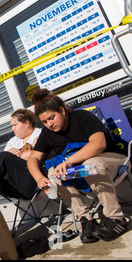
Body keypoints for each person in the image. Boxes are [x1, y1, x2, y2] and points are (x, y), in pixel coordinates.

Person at [27, 88, 130, 243]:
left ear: (62, 110)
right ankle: (87, 220)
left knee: (90, 164)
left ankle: (116, 218)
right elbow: (33, 158)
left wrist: (69, 161)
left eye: (51, 118)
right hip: (81, 170)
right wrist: (39, 178)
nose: (49, 124)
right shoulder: (48, 133)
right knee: (54, 174)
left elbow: (99, 144)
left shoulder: (82, 117)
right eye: (45, 122)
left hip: (112, 159)